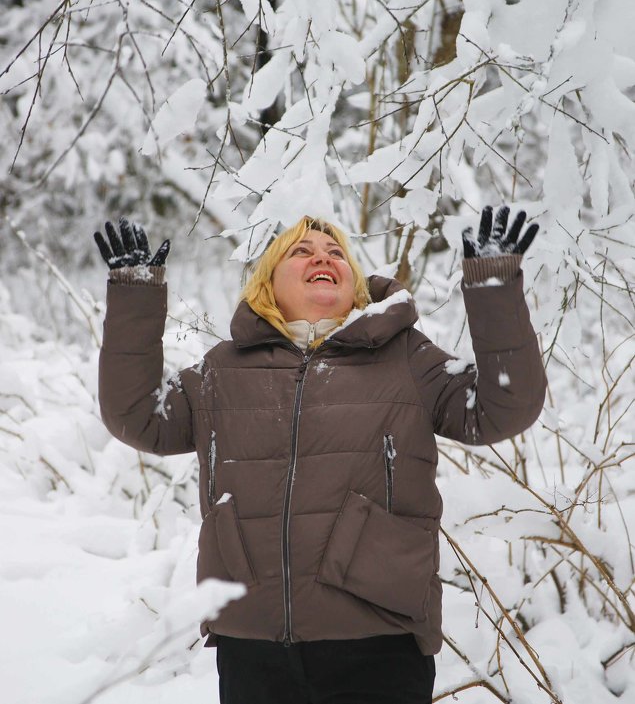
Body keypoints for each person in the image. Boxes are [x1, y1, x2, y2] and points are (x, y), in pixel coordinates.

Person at [95, 207, 546, 704]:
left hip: (378, 640)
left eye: (336, 253)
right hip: (253, 643)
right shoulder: (222, 369)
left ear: (353, 282)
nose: (322, 258)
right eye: (302, 251)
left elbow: (505, 408)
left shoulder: (405, 359)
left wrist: (494, 287)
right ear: (268, 281)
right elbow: (137, 416)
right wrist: (135, 292)